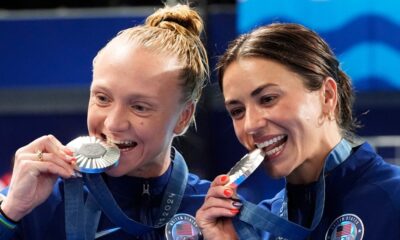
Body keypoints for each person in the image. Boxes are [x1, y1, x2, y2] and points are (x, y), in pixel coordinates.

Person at [0, 4, 210, 240]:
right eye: (102, 98)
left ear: (182, 118)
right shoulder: (37, 200)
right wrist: (9, 214)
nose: (113, 124)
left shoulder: (210, 211)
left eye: (139, 107)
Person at [195, 23, 400, 239]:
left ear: (327, 96)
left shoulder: (393, 197)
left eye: (268, 99)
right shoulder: (258, 228)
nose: (250, 125)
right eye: (237, 111)